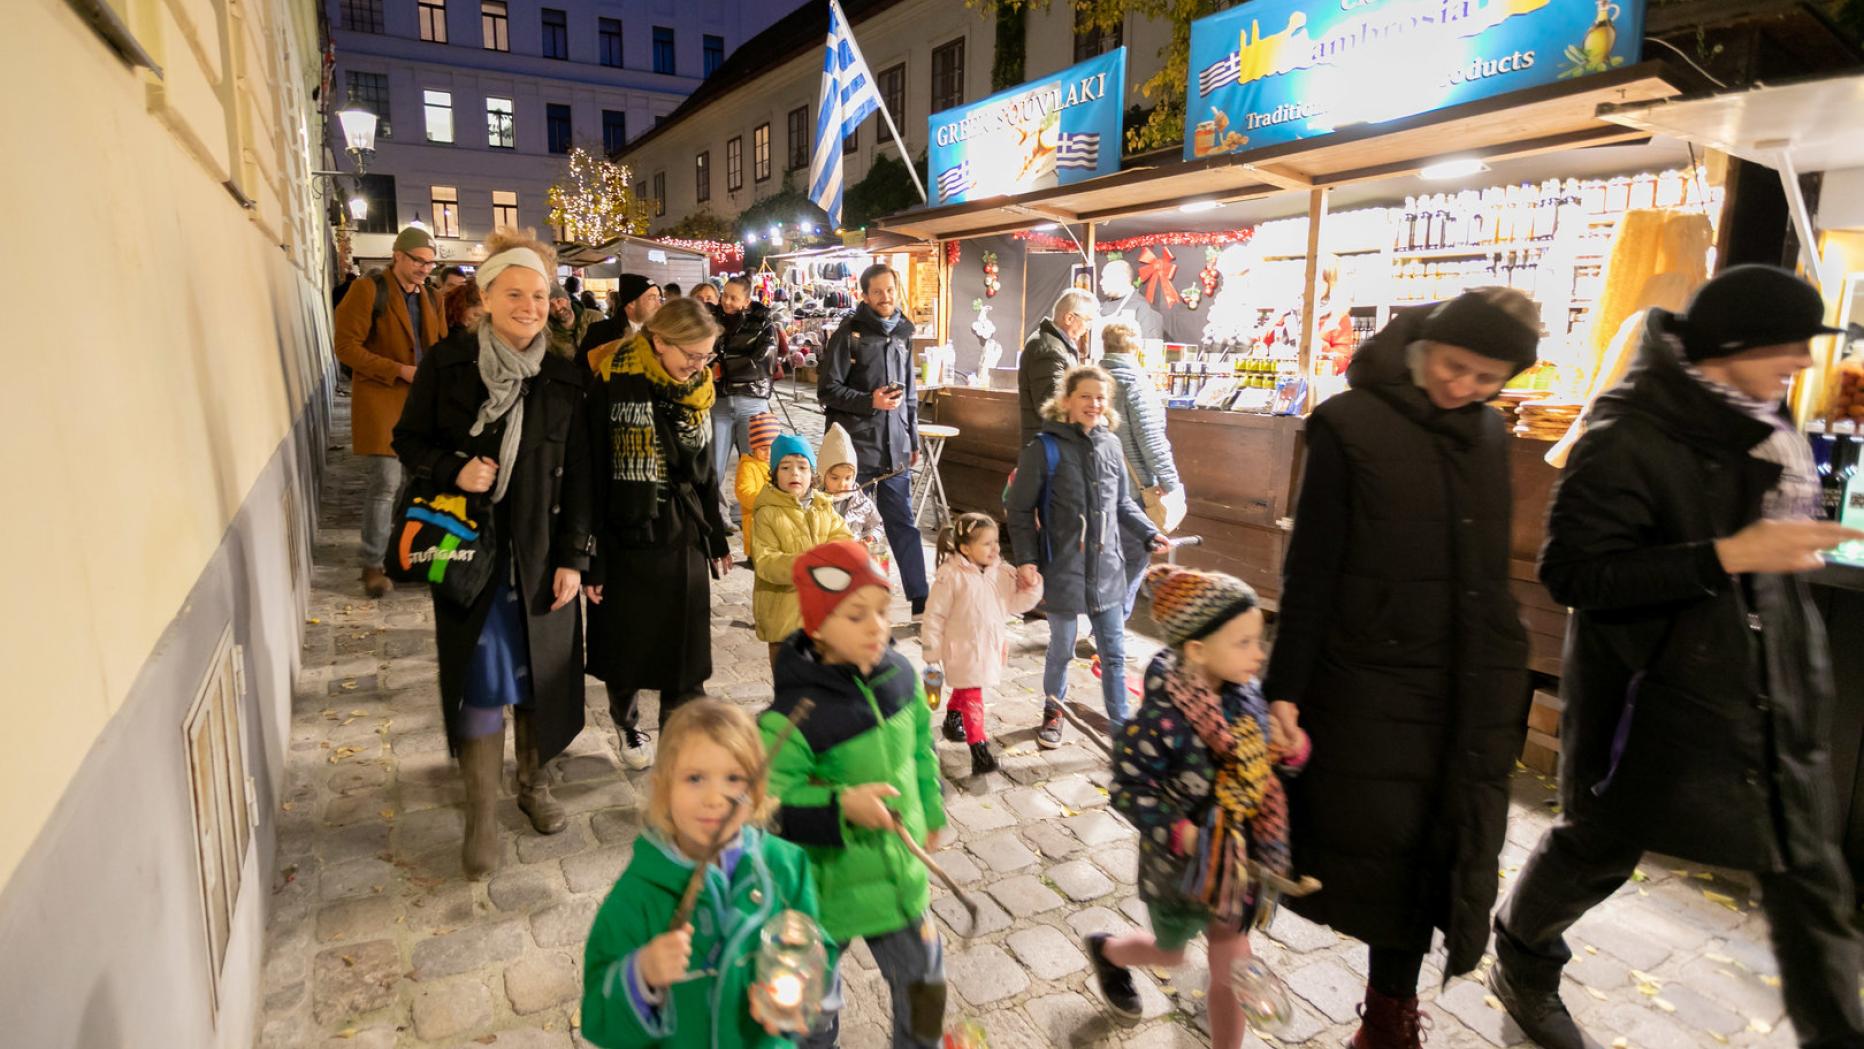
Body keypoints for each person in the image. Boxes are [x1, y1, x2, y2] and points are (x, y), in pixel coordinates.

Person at [1490, 266, 1864, 1049]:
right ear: (1732, 344)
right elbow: (1575, 574)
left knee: (1808, 875)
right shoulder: (1631, 432)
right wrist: (1731, 552)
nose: (1802, 359)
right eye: (1789, 344)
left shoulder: (1757, 412)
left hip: (1768, 683)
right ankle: (1522, 954)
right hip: (1653, 690)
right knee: (1601, 843)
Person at [1260, 287, 1541, 1048]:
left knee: (1436, 848)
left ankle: (1390, 1016)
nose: (1466, 388)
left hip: (1465, 679)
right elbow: (1311, 569)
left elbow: (1489, 561)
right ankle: (1222, 951)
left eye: (1489, 379)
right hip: (1369, 678)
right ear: (1426, 347)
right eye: (1456, 366)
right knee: (1369, 844)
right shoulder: (1347, 425)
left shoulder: (1487, 431)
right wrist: (1284, 689)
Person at [390, 228, 594, 879]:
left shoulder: (564, 378)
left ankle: (533, 784)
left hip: (539, 556)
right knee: (480, 684)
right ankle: (481, 810)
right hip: (469, 556)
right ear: (486, 293)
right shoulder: (447, 367)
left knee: (539, 680)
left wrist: (575, 558)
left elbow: (584, 476)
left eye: (540, 293)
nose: (530, 305)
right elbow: (407, 440)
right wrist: (454, 468)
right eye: (516, 293)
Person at [1091, 566, 1309, 1046]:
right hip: (1177, 873)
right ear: (1197, 650)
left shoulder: (1250, 698)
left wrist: (1291, 748)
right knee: (1170, 955)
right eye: (1244, 642)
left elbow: (1266, 769)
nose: (1260, 653)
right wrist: (1181, 833)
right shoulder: (1158, 720)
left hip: (1235, 868)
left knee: (1230, 966)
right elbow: (1129, 790)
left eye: (1259, 639)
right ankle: (1108, 953)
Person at [761, 540, 948, 1049]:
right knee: (813, 1013)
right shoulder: (792, 717)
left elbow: (920, 751)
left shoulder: (903, 679)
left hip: (898, 882)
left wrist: (931, 808)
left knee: (926, 987)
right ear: (818, 627)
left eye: (883, 612)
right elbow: (767, 811)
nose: (877, 627)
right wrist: (841, 807)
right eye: (856, 615)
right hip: (823, 896)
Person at [581, 699, 825, 1049]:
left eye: (734, 779)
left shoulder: (785, 868)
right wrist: (642, 973)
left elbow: (816, 949)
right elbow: (596, 1016)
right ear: (664, 788)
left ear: (756, 791)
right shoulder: (638, 896)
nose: (714, 798)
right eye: (694, 778)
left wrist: (797, 985)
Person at [584, 298, 733, 772]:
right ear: (660, 340)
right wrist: (593, 559)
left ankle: (678, 739)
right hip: (628, 532)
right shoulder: (613, 380)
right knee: (627, 648)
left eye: (707, 356)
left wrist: (716, 538)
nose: (699, 366)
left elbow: (707, 471)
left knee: (685, 653)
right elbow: (592, 475)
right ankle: (627, 722)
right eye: (692, 355)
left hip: (682, 530)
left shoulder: (699, 388)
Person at [1005, 364, 1166, 746]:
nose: (1094, 404)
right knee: (1061, 649)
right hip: (1062, 565)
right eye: (1086, 396)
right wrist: (1027, 559)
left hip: (1108, 567)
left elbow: (1122, 502)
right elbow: (1019, 509)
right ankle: (1053, 710)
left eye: (1100, 397)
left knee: (1113, 652)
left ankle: (1123, 728)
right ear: (1066, 402)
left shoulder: (1112, 444)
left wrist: (1149, 531)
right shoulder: (1044, 449)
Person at [334, 225, 445, 598]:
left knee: (414, 484)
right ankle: (373, 563)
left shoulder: (431, 297)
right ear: (398, 255)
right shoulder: (368, 290)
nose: (425, 268)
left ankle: (403, 553)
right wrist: (396, 370)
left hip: (420, 404)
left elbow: (439, 346)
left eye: (430, 263)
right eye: (418, 261)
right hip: (383, 398)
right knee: (385, 483)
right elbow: (346, 347)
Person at [817, 264, 929, 614]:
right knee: (849, 525)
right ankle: (848, 598)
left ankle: (920, 597)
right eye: (877, 292)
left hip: (894, 446)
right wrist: (870, 401)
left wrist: (912, 438)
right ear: (864, 295)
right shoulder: (848, 334)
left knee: (903, 524)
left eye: (891, 290)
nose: (885, 298)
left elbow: (909, 394)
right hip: (855, 448)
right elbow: (827, 390)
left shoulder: (903, 334)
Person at [920, 513, 1043, 776]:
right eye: (987, 544)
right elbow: (934, 614)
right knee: (974, 696)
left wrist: (1031, 586)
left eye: (996, 542)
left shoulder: (1002, 573)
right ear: (965, 548)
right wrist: (932, 649)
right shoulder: (950, 576)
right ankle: (980, 751)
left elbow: (1017, 604)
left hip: (990, 647)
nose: (995, 548)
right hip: (961, 650)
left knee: (967, 690)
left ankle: (953, 719)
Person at [752, 435, 853, 671]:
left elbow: (842, 537)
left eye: (802, 468)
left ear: (813, 475)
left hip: (823, 618)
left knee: (822, 684)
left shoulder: (823, 506)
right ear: (775, 474)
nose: (795, 474)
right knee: (790, 687)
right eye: (786, 468)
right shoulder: (767, 513)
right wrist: (807, 564)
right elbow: (766, 562)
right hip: (784, 620)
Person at [712, 276, 782, 499]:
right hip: (718, 403)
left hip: (751, 403)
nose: (727, 301)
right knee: (713, 469)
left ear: (746, 300)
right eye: (724, 295)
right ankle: (716, 519)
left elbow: (763, 362)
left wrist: (722, 368)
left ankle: (759, 516)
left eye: (734, 298)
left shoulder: (764, 322)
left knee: (757, 466)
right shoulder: (711, 319)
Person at [1018, 288, 1096, 445]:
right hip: (1048, 446)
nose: (1088, 327)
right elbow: (1050, 403)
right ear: (1069, 318)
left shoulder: (1056, 344)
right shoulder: (1049, 348)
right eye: (1088, 320)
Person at [817, 423, 889, 570]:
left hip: (854, 563)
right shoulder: (814, 502)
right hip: (824, 563)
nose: (842, 484)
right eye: (835, 478)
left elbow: (876, 525)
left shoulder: (862, 503)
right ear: (823, 476)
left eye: (848, 478)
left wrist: (870, 537)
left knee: (880, 556)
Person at [582, 274, 661, 368]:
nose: (659, 305)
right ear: (631, 303)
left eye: (659, 298)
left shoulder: (661, 332)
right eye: (652, 298)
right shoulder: (599, 332)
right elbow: (583, 370)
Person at [734, 412, 780, 563]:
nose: (768, 453)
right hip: (756, 524)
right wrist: (768, 499)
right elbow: (743, 492)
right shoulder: (748, 466)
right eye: (763, 448)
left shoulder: (778, 465)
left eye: (772, 448)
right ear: (754, 447)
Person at [1099, 258, 1163, 341]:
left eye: (1106, 277)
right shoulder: (1101, 307)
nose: (1101, 282)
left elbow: (1151, 347)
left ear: (1122, 278)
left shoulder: (1144, 308)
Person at [546, 282, 593, 360]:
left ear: (568, 300)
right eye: (551, 305)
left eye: (559, 301)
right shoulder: (548, 335)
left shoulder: (595, 318)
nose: (557, 308)